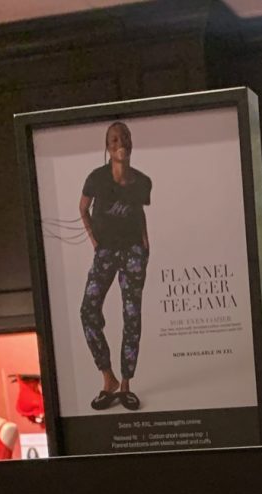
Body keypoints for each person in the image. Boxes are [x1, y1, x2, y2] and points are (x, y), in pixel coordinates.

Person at [79, 121, 151, 412]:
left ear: (131, 142)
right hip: (106, 252)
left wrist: (145, 245)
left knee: (131, 317)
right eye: (114, 140)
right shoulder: (96, 179)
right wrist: (94, 242)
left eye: (124, 138)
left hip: (134, 253)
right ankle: (107, 377)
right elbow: (82, 208)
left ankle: (126, 385)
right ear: (107, 147)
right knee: (88, 310)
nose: (120, 143)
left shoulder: (143, 182)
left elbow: (139, 213)